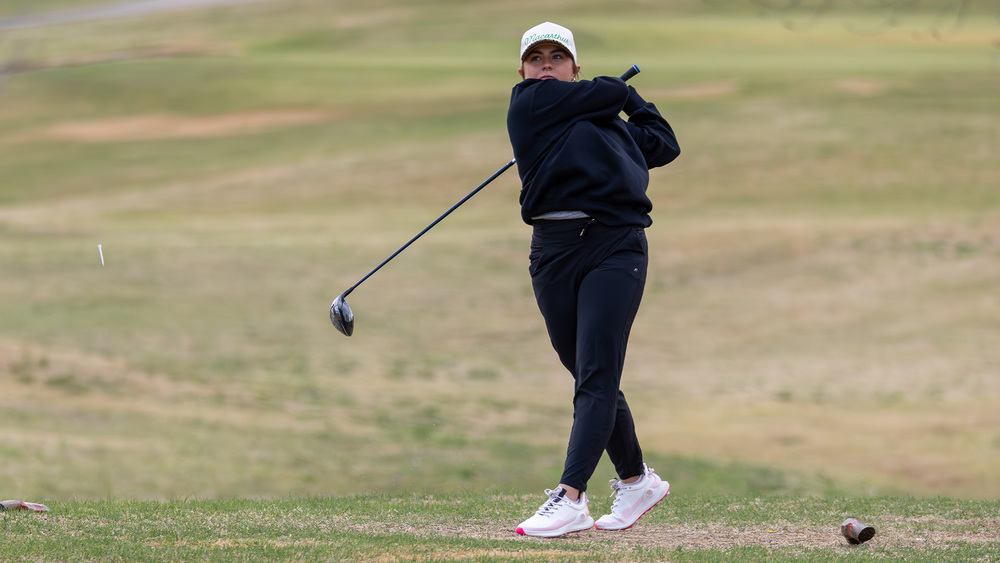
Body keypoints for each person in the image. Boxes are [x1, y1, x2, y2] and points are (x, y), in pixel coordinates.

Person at [506, 22, 681, 538]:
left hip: (616, 245)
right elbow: (609, 92)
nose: (544, 65)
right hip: (553, 251)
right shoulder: (528, 103)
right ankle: (637, 480)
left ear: (573, 68)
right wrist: (619, 91)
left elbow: (665, 144)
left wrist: (626, 101)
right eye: (534, 57)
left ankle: (570, 496)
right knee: (586, 371)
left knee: (596, 375)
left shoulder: (607, 122)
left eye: (556, 57)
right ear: (521, 70)